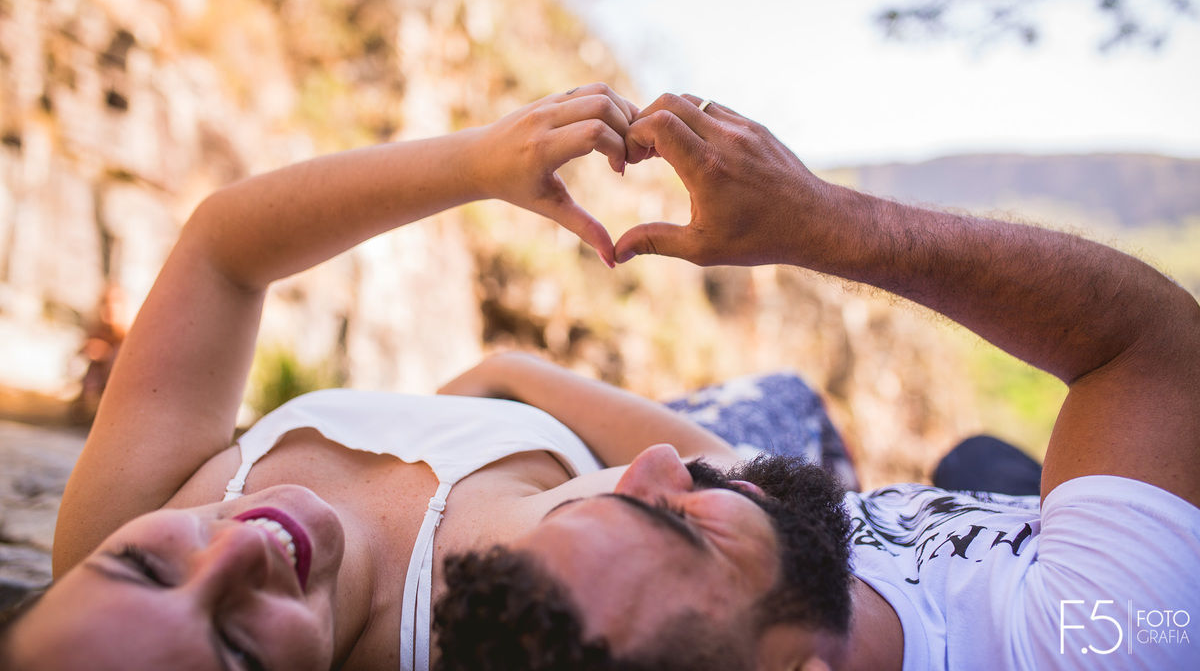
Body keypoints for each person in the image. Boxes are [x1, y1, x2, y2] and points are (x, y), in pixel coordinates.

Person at [2, 83, 841, 671]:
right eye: (238, 651)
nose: (239, 554)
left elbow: (222, 250)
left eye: (147, 571)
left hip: (554, 408)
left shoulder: (109, 532)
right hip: (736, 444)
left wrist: (477, 165)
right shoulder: (496, 622)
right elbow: (719, 472)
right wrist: (517, 372)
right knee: (822, 441)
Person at [430, 94, 1200, 670]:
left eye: (618, 496)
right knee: (976, 458)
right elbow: (1148, 348)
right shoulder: (1094, 638)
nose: (659, 464)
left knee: (970, 457)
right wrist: (820, 222)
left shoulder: (766, 600)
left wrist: (512, 371)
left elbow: (708, 458)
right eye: (679, 520)